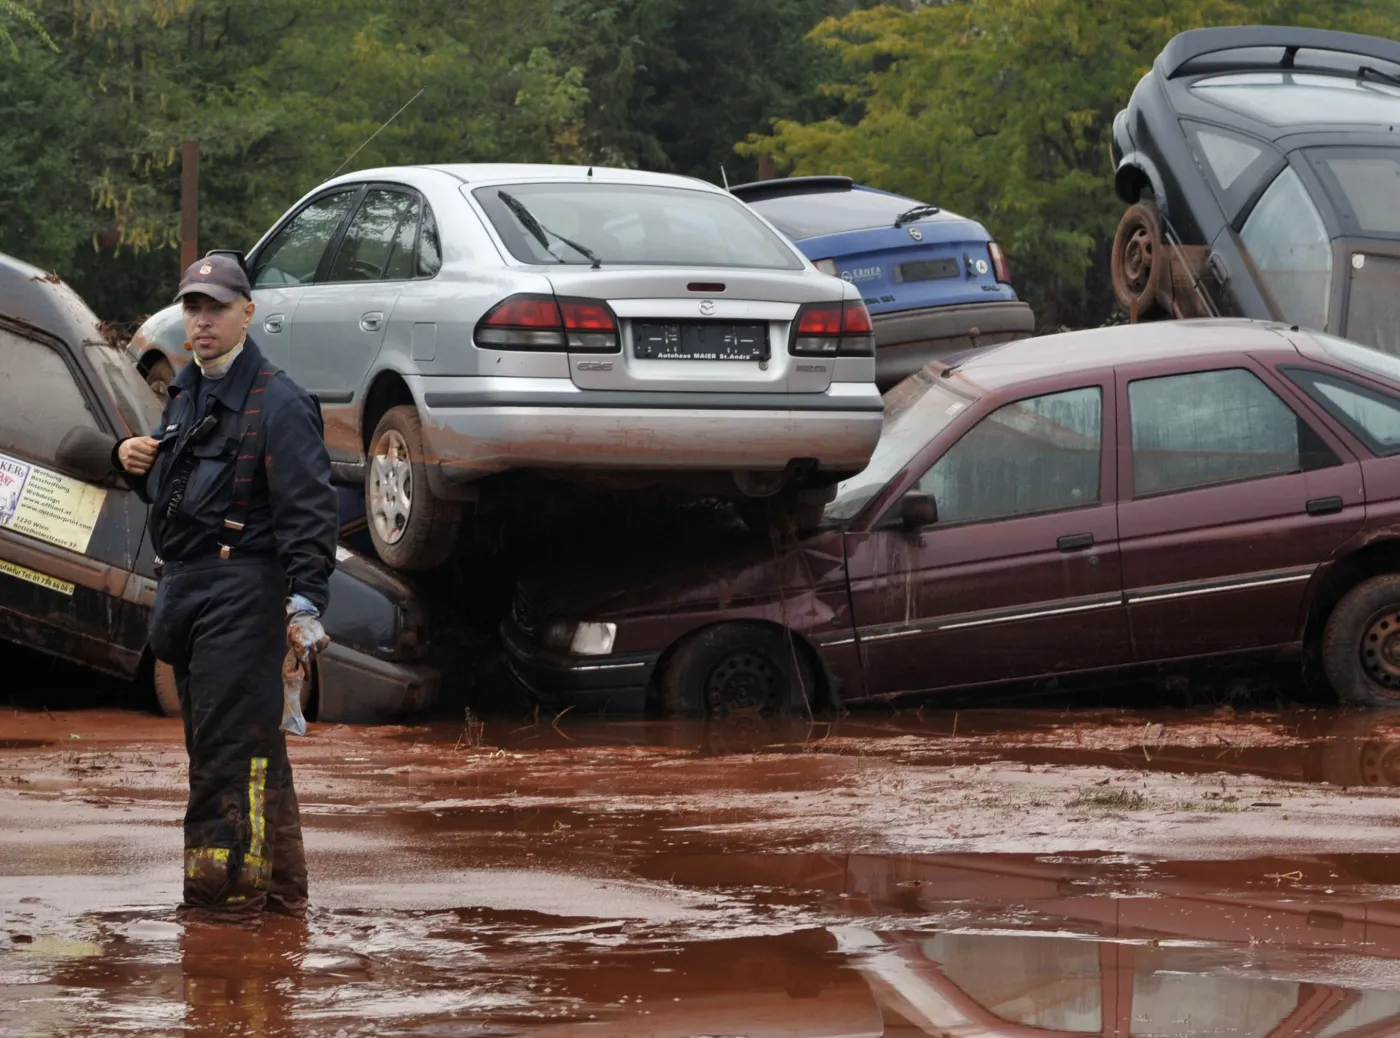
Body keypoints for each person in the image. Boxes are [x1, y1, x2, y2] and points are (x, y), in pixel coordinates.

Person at [115, 255, 339, 925]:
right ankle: (278, 902)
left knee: (221, 762)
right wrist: (130, 461)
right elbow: (179, 491)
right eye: (192, 307)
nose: (201, 319)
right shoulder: (187, 391)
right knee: (251, 756)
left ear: (248, 311)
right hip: (184, 592)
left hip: (244, 597)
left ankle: (220, 918)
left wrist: (305, 608)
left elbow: (310, 515)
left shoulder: (281, 402)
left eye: (215, 306)